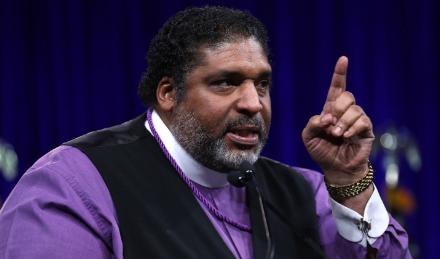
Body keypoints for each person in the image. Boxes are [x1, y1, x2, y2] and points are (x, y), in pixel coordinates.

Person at [0, 6, 410, 259]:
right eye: (226, 82)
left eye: (262, 84)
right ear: (168, 93)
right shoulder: (74, 184)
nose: (254, 103)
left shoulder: (305, 192)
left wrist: (351, 182)